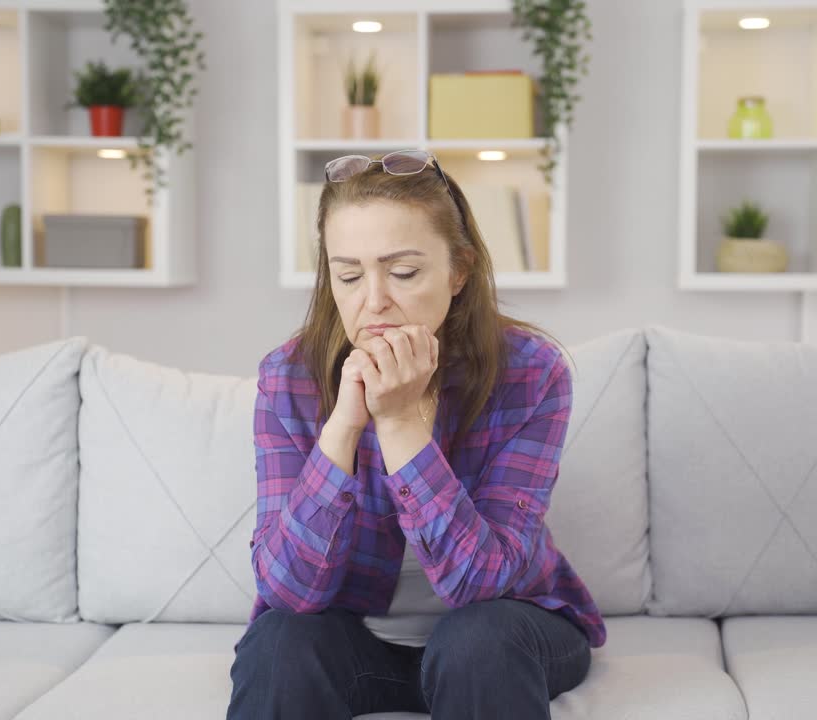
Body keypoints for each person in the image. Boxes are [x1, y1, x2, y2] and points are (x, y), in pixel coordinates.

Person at [228, 149, 605, 719]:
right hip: (358, 642)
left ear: (459, 271)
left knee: (478, 640)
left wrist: (401, 422)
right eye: (348, 274)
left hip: (507, 631)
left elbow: (480, 583)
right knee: (278, 643)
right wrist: (345, 427)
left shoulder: (531, 371)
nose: (373, 300)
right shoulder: (289, 377)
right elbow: (288, 592)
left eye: (403, 273)